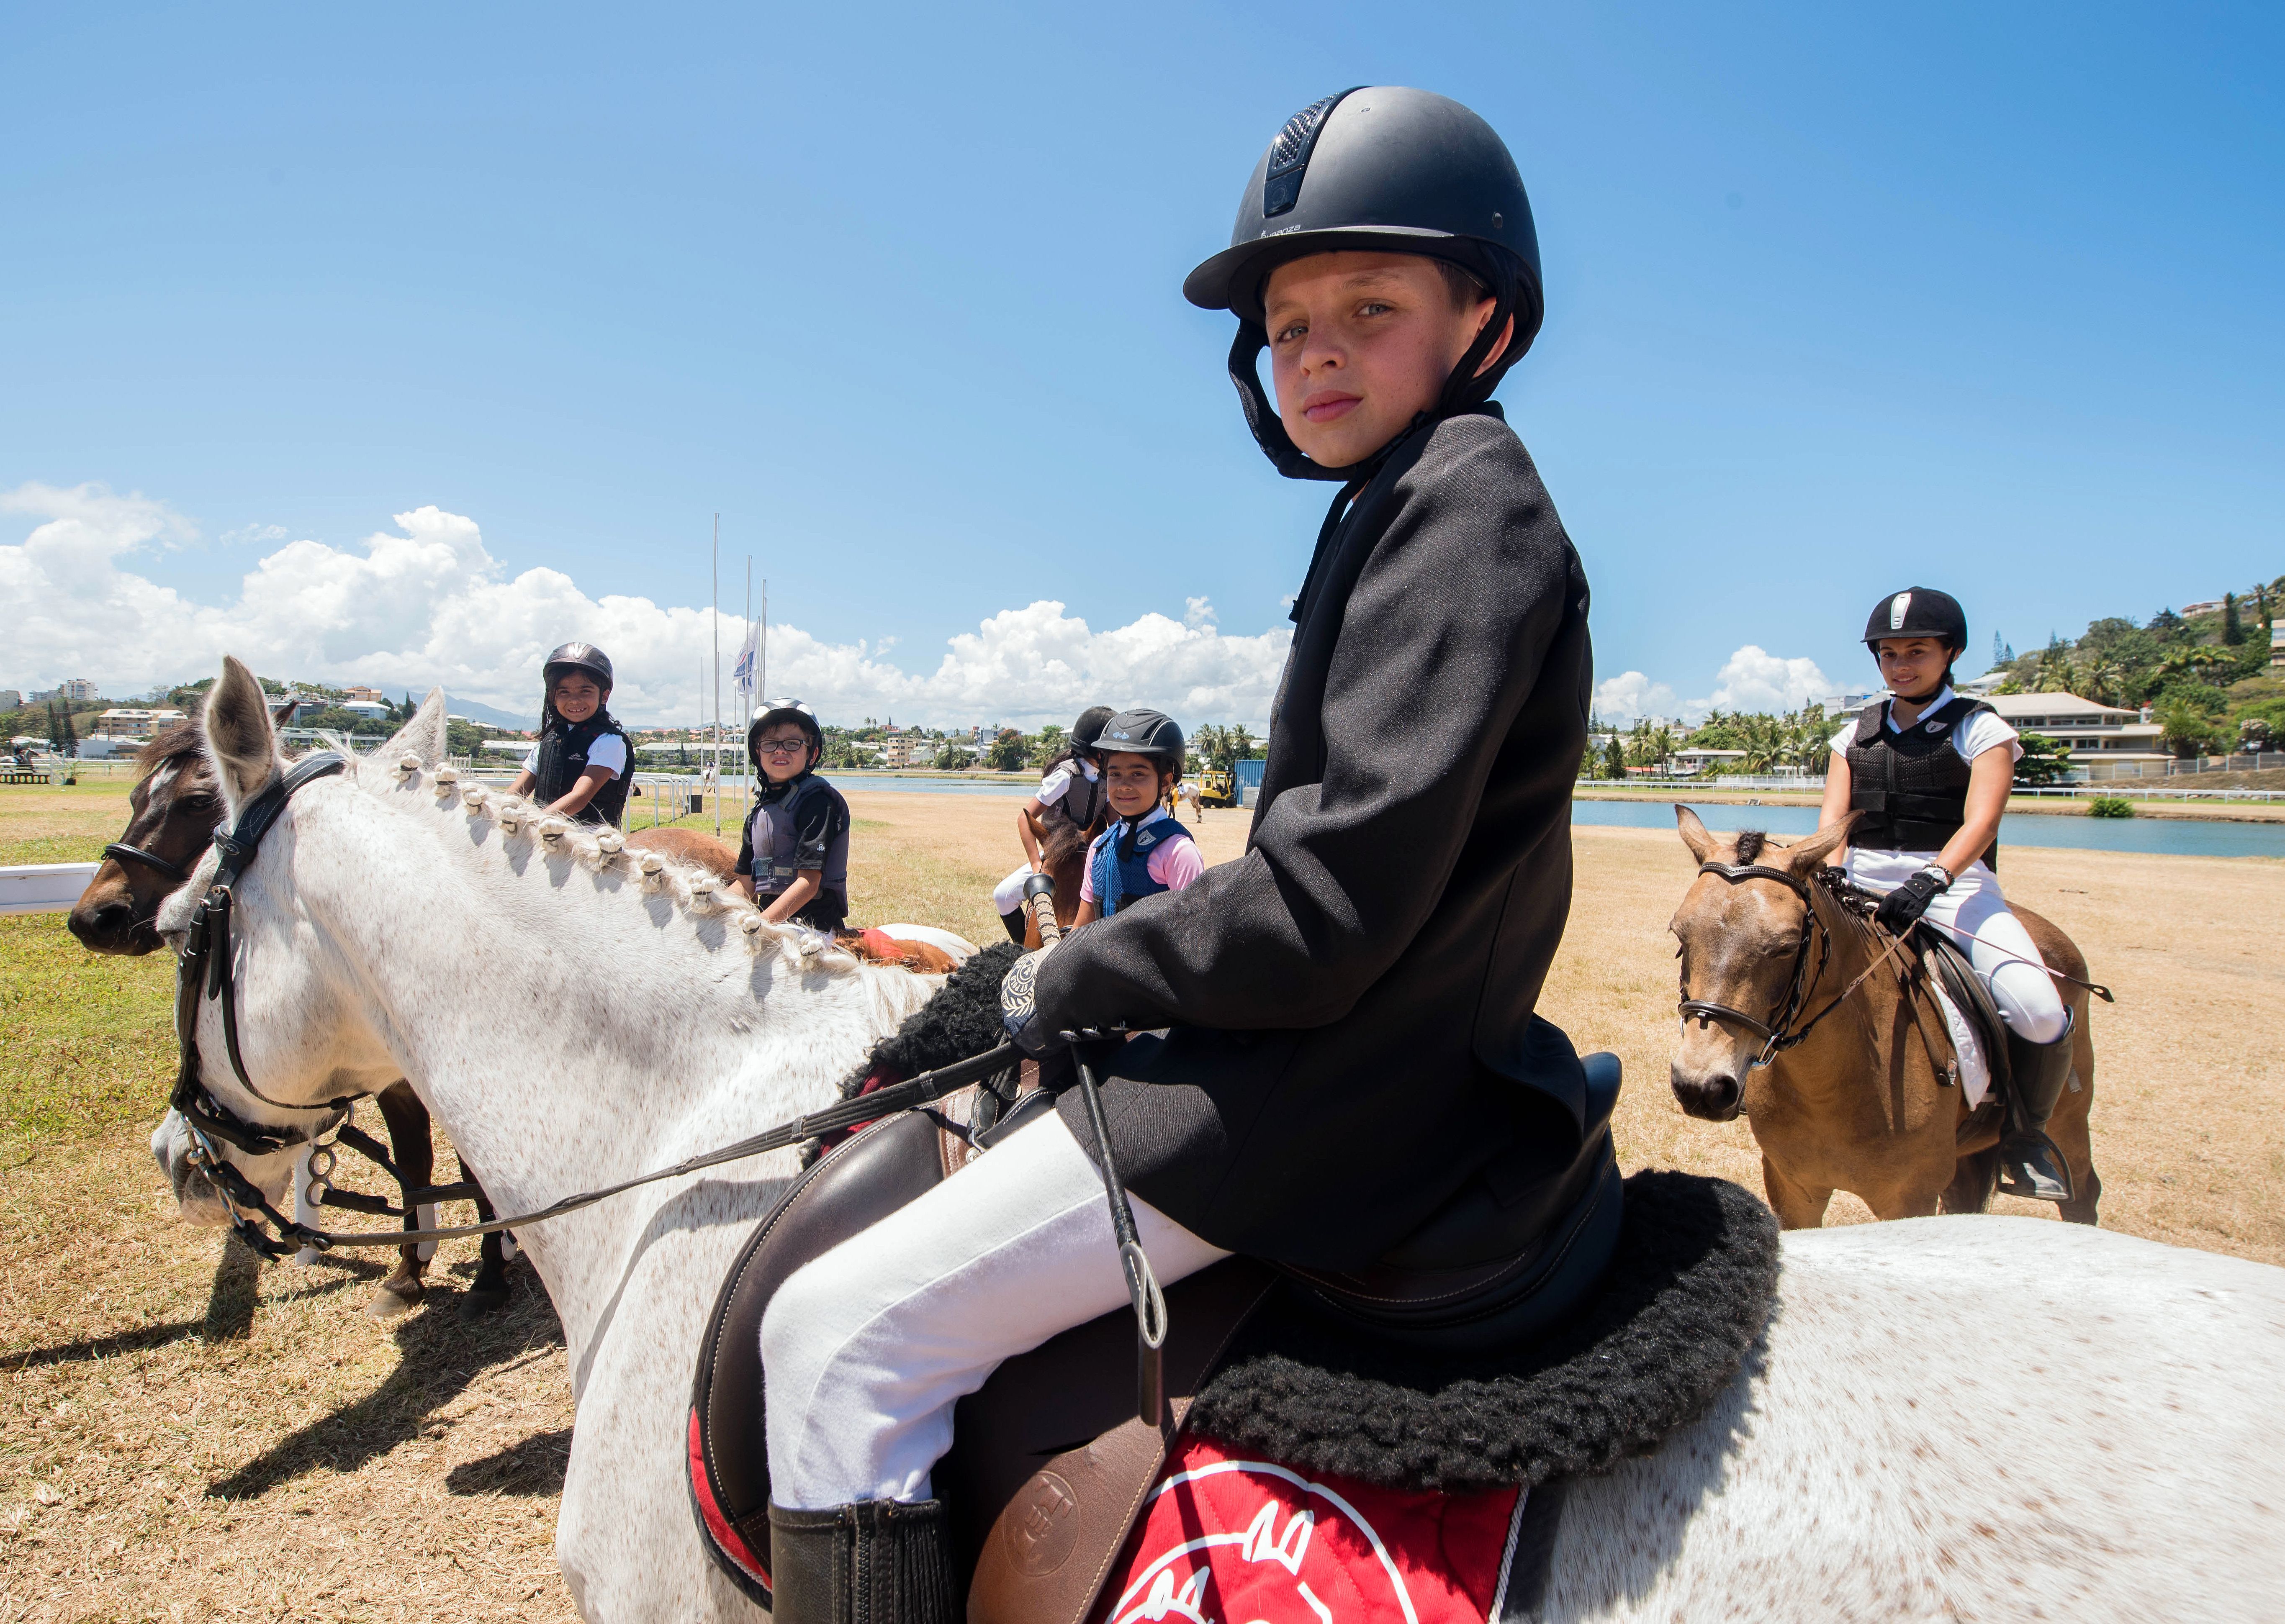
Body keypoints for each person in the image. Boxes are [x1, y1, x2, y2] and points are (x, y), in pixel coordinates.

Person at [758, 88, 1594, 1623]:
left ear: (1486, 319)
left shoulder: (1464, 508)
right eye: (1285, 327)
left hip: (1335, 1096)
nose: (1315, 353)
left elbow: (1326, 903)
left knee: (834, 1333)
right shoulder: (1402, 498)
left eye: (1367, 308)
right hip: (1346, 1050)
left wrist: (1061, 975)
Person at [1820, 587, 2076, 1203]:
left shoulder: (1980, 728)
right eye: (1887, 653)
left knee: (2038, 1007)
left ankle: (2024, 1137)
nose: (1899, 664)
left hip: (1954, 889)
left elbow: (1980, 822)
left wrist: (1931, 878)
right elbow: (1831, 824)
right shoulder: (1850, 734)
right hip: (1857, 883)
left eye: (1915, 651)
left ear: (1948, 652)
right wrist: (1831, 876)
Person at [988, 705, 1113, 942]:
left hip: (1093, 855)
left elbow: (1114, 821)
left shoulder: (1107, 778)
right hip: (1058, 856)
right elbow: (1025, 818)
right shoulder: (1065, 776)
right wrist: (1038, 865)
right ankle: (1021, 951)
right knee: (1003, 896)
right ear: (1098, 752)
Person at [1072, 709, 1203, 926]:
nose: (1123, 785)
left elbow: (1195, 939)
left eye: (1138, 774)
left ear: (1164, 782)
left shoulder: (1178, 853)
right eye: (1115, 774)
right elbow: (1080, 933)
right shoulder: (1098, 848)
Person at [736, 698, 852, 930]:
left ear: (813, 752)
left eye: (793, 743)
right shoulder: (758, 813)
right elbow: (745, 884)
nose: (780, 750)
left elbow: (808, 883)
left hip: (815, 928)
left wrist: (761, 924)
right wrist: (714, 906)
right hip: (770, 924)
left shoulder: (819, 803)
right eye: (770, 743)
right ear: (758, 754)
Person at [507, 643, 631, 827]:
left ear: (604, 696)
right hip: (545, 838)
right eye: (564, 692)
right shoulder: (547, 743)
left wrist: (535, 823)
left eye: (585, 691)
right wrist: (503, 810)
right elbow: (516, 794)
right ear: (553, 697)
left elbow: (580, 797)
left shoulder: (610, 742)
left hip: (590, 845)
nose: (574, 700)